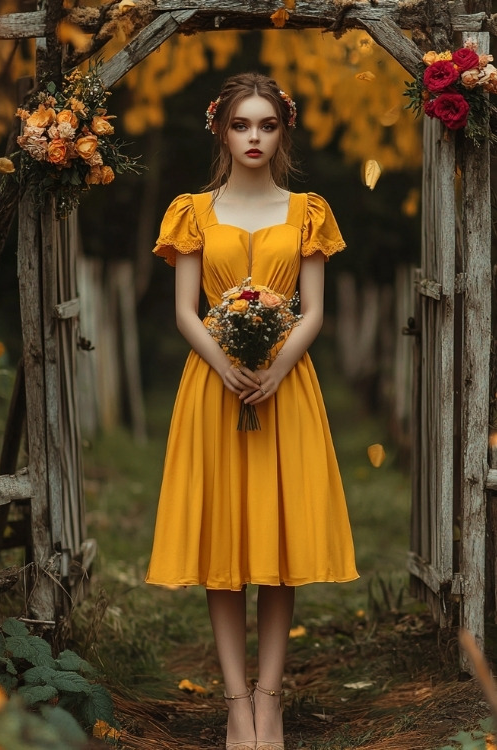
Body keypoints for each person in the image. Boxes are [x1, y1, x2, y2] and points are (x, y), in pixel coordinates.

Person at [146, 72, 358, 750]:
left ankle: (271, 701)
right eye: (243, 125)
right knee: (224, 544)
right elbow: (184, 309)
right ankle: (237, 704)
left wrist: (277, 368)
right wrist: (226, 363)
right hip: (215, 385)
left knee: (277, 544)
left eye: (267, 125)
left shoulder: (308, 210)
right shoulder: (191, 210)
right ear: (221, 130)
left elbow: (315, 309)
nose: (255, 137)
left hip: (284, 388)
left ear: (282, 131)